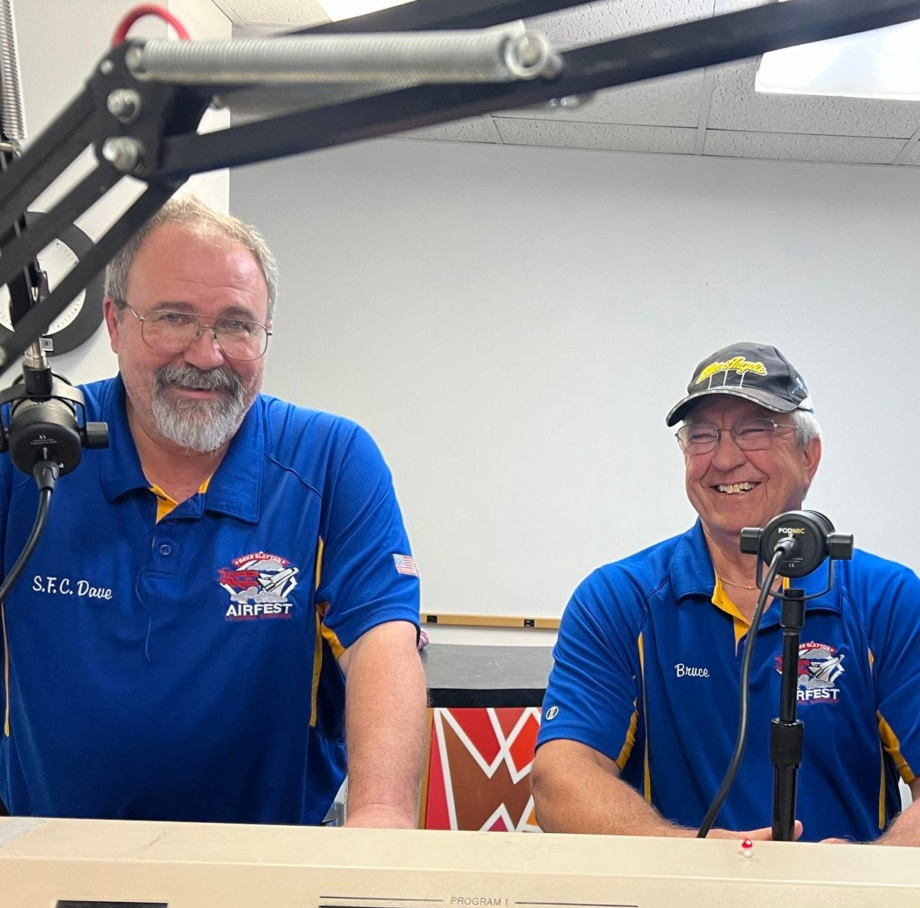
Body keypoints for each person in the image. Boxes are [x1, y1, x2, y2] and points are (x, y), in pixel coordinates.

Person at [0, 195, 427, 829]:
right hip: (45, 848)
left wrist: (383, 820)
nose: (206, 355)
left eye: (236, 324)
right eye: (173, 318)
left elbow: (382, 645)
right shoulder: (30, 448)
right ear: (115, 324)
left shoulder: (331, 459)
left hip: (267, 858)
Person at [532, 342, 920, 845]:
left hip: (835, 896)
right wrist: (692, 855)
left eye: (755, 430)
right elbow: (559, 780)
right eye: (702, 436)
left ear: (809, 456)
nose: (724, 459)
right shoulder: (617, 599)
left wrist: (865, 870)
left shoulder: (888, 599)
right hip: (675, 886)